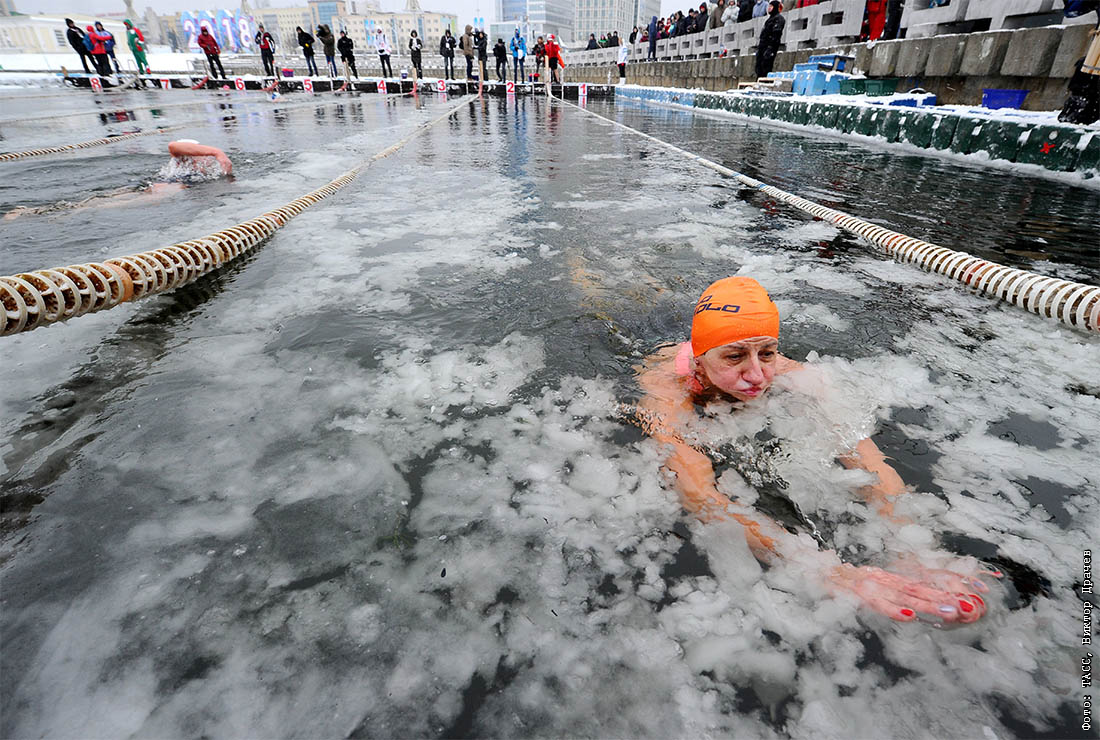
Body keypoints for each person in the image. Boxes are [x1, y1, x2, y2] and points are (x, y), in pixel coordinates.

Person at [635, 276, 998, 626]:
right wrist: (822, 569)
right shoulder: (665, 385)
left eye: (767, 353)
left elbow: (867, 458)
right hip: (650, 331)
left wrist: (911, 548)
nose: (758, 375)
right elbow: (699, 493)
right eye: (735, 357)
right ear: (700, 359)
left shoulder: (790, 372)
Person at [755, 0, 784, 78]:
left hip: (769, 46)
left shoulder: (779, 19)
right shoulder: (769, 19)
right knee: (759, 66)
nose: (769, 8)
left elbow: (776, 34)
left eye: (771, 6)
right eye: (769, 6)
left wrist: (770, 47)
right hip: (763, 46)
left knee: (766, 66)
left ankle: (765, 81)